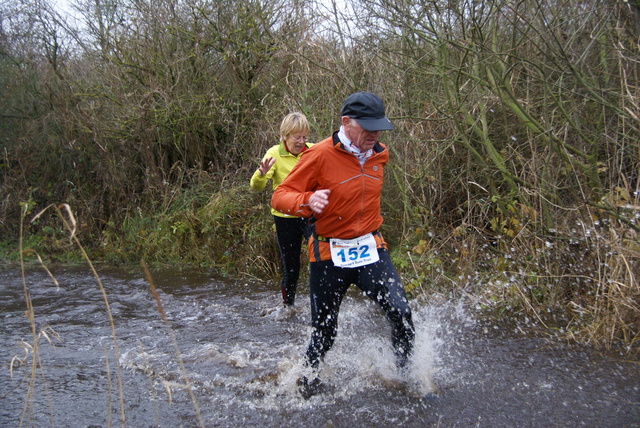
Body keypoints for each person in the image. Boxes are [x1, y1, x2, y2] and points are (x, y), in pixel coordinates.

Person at [271, 92, 415, 397]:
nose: (374, 134)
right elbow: (280, 195)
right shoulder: (319, 155)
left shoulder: (379, 154)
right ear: (346, 122)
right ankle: (305, 385)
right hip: (329, 252)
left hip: (369, 247)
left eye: (379, 127)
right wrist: (307, 199)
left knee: (401, 313)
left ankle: (406, 379)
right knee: (324, 331)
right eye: (367, 127)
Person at [250, 112, 313, 312]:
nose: (301, 142)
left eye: (305, 137)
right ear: (285, 135)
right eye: (297, 137)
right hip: (285, 217)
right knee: (292, 266)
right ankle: (288, 307)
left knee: (321, 260)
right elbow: (256, 187)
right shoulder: (274, 154)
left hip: (310, 214)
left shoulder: (313, 151)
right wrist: (260, 175)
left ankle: (320, 304)